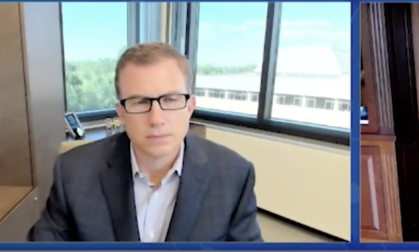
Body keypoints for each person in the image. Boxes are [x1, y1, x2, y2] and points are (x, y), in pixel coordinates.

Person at [28, 43, 263, 242]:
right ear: (121, 113)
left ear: (190, 107)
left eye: (170, 99)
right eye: (140, 102)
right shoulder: (73, 172)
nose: (156, 119)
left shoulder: (234, 175)